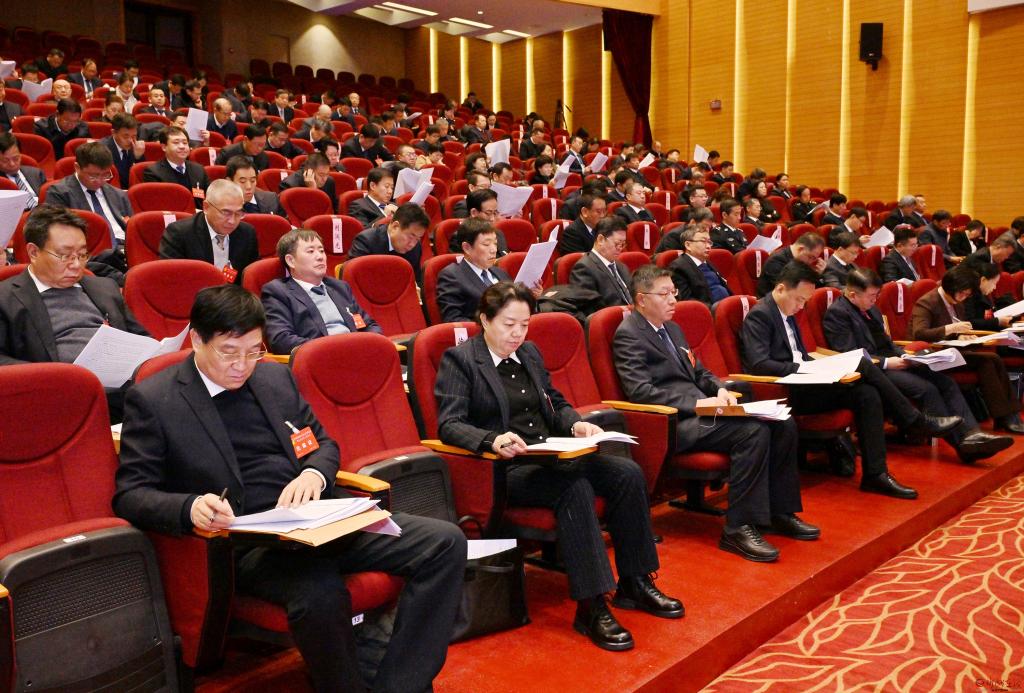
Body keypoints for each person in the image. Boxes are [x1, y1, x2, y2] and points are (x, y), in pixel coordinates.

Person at [113, 284, 465, 692]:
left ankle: (399, 684)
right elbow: (131, 494)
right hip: (251, 544)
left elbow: (323, 444)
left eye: (253, 351)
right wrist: (189, 506)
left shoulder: (274, 377)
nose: (242, 366)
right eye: (229, 352)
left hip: (318, 521)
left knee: (445, 542)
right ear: (196, 340)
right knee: (320, 593)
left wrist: (314, 474)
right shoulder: (154, 399)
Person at [436, 281, 682, 650]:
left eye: (524, 325)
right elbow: (449, 424)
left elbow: (555, 402)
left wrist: (575, 424)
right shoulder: (462, 360)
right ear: (485, 320)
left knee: (627, 474)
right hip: (506, 468)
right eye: (508, 324)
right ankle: (592, 605)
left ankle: (636, 582)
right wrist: (491, 440)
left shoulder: (530, 353)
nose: (517, 334)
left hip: (553, 455)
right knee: (574, 488)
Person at [615, 265, 815, 561]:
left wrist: (719, 390)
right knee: (752, 432)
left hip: (705, 412)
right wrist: (698, 405)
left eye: (674, 292)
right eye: (664, 294)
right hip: (676, 423)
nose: (673, 300)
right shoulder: (629, 334)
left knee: (782, 423)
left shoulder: (672, 328)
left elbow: (699, 371)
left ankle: (779, 512)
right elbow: (641, 392)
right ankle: (738, 528)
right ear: (642, 299)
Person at [741, 261, 962, 499]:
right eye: (799, 299)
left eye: (805, 301)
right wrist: (806, 368)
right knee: (861, 363)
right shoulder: (761, 315)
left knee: (867, 394)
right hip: (786, 390)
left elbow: (799, 354)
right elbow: (760, 364)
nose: (801, 306)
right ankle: (913, 419)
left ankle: (875, 475)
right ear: (781, 288)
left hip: (807, 380)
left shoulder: (788, 310)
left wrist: (816, 366)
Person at [823, 267, 1012, 463]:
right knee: (926, 389)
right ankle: (963, 445)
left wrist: (905, 355)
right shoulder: (837, 314)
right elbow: (850, 354)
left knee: (945, 382)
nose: (875, 300)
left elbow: (888, 343)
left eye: (877, 295)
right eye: (871, 296)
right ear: (852, 295)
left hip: (894, 360)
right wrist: (887, 362)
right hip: (876, 369)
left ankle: (972, 433)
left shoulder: (871, 309)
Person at [0, 205, 147, 421]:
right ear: (33, 252)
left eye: (82, 254)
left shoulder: (104, 287)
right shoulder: (6, 298)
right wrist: (56, 375)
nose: (76, 265)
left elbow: (142, 338)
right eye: (64, 256)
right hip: (59, 401)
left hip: (128, 394)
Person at [908, 265, 1024, 434]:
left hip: (953, 350)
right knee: (986, 362)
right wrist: (951, 329)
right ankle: (1005, 417)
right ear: (950, 287)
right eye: (962, 293)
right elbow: (919, 333)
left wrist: (962, 335)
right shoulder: (928, 302)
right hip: (934, 355)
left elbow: (959, 328)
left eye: (967, 294)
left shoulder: (957, 302)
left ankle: (1010, 416)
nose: (964, 297)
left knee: (993, 359)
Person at [262, 229, 380, 354]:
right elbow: (281, 340)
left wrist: (371, 344)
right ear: (291, 261)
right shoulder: (277, 292)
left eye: (322, 251)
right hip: (321, 357)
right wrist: (332, 349)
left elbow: (370, 325)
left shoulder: (339, 287)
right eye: (311, 251)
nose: (320, 257)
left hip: (359, 352)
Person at [159, 179, 259, 284]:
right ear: (206, 207)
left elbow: (250, 278)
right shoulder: (179, 234)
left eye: (238, 213)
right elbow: (172, 280)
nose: (232, 221)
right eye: (226, 212)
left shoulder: (247, 233)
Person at [44, 141, 132, 249]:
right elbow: (58, 233)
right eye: (93, 176)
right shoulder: (59, 193)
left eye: (105, 175)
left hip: (125, 248)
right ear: (77, 167)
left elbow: (132, 228)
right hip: (89, 250)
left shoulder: (118, 194)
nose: (99, 181)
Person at [436, 218, 518, 322]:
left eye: (495, 243)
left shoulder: (500, 273)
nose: (494, 250)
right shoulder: (451, 276)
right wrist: (491, 326)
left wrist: (530, 297)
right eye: (486, 244)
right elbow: (453, 319)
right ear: (467, 248)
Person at [348, 203, 430, 284]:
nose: (412, 244)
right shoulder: (366, 241)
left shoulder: (416, 248)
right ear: (395, 226)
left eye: (417, 239)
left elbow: (416, 280)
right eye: (411, 237)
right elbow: (354, 280)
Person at [143, 125, 211, 209]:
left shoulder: (199, 170)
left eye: (185, 143)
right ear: (164, 147)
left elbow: (210, 198)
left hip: (199, 214)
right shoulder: (153, 172)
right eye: (176, 143)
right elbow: (159, 204)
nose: (182, 146)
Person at [669, 225, 732, 306]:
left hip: (726, 305)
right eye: (703, 241)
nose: (708, 246)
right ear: (688, 245)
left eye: (709, 242)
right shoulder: (678, 267)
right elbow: (687, 300)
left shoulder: (708, 263)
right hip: (709, 309)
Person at [757, 232, 826, 297]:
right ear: (800, 249)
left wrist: (819, 275)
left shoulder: (803, 261)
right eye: (811, 257)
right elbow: (789, 289)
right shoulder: (777, 261)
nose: (811, 262)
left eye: (814, 259)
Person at [0, 131, 45, 210]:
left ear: (21, 155)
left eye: (16, 158)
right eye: (5, 161)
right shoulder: (2, 183)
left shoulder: (36, 173)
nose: (12, 164)